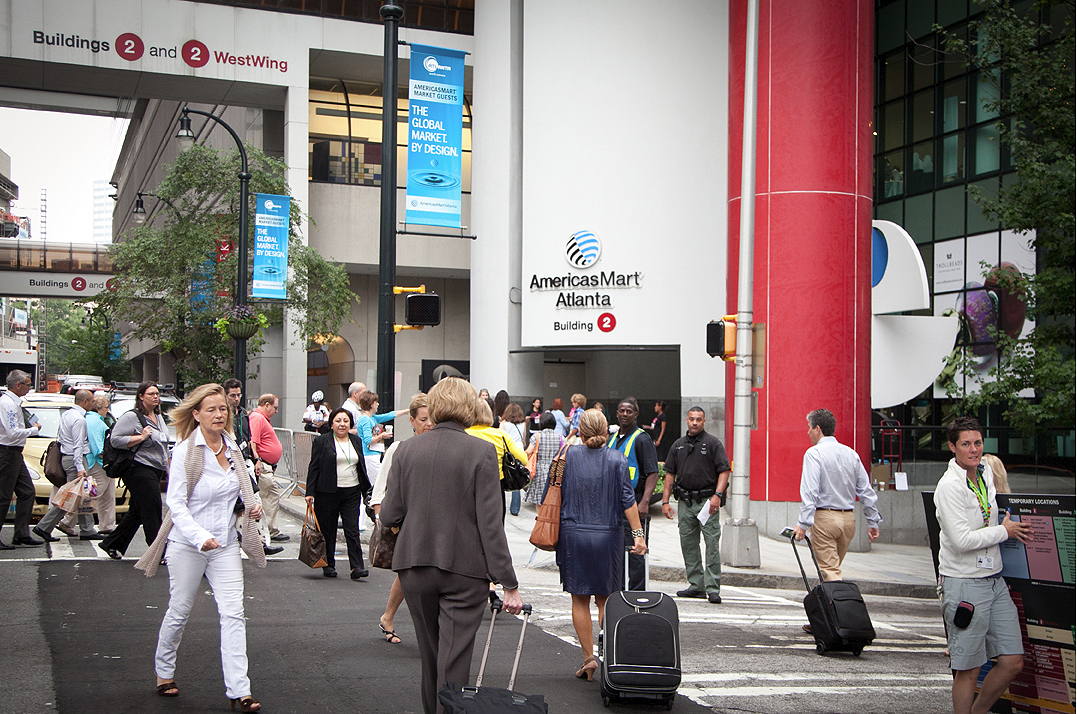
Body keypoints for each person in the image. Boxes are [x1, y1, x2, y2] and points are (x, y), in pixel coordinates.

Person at [380, 377, 523, 714]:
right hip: (464, 568)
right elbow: (491, 524)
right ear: (470, 408)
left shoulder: (406, 449)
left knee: (430, 657)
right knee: (454, 661)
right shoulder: (482, 451)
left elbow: (389, 513)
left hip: (414, 565)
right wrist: (508, 582)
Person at [137, 383, 266, 712]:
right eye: (211, 409)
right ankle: (164, 672)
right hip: (187, 544)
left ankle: (240, 689)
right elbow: (176, 505)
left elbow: (239, 494)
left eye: (223, 408)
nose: (219, 414)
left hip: (224, 544)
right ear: (196, 414)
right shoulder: (185, 451)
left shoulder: (234, 449)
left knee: (234, 613)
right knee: (179, 611)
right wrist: (199, 537)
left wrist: (249, 507)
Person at [935, 416, 1031, 714]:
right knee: (969, 669)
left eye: (978, 443)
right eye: (966, 444)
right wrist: (1005, 531)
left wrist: (1000, 525)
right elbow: (962, 540)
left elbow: (986, 514)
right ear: (953, 447)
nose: (974, 449)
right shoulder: (949, 486)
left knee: (1013, 661)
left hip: (993, 578)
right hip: (964, 582)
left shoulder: (985, 473)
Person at [550, 409, 646, 681]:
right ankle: (611, 658)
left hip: (574, 535)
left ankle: (588, 659)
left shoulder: (565, 456)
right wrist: (638, 535)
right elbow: (628, 501)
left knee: (579, 599)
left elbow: (551, 490)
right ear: (607, 431)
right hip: (608, 536)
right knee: (606, 599)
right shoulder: (618, 459)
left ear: (579, 430)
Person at [792, 408, 882, 585]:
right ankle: (827, 606)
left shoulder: (814, 453)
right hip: (848, 520)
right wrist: (872, 521)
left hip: (825, 519)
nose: (807, 431)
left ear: (818, 429)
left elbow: (810, 492)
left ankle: (838, 609)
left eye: (809, 427)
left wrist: (803, 523)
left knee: (830, 572)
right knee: (830, 568)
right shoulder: (851, 453)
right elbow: (866, 490)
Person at [370, 392, 433, 645]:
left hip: (432, 520)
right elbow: (381, 487)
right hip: (405, 522)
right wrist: (382, 520)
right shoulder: (399, 448)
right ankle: (392, 617)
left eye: (432, 419)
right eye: (423, 419)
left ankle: (390, 617)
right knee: (411, 572)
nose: (429, 424)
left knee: (421, 572)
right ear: (412, 421)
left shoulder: (439, 448)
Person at [661, 407, 730, 603]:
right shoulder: (678, 445)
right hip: (684, 502)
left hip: (707, 503)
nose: (694, 423)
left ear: (704, 421)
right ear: (687, 420)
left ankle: (713, 587)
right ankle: (696, 585)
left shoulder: (713, 443)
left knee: (711, 545)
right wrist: (665, 502)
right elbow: (669, 475)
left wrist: (717, 495)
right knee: (689, 545)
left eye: (698, 419)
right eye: (691, 419)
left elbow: (724, 470)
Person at [99, 382, 171, 560]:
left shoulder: (158, 417)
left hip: (155, 469)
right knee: (153, 509)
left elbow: (163, 445)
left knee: (138, 511)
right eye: (151, 394)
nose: (156, 397)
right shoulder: (132, 417)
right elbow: (115, 440)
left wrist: (168, 468)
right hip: (138, 469)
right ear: (141, 396)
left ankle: (111, 543)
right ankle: (158, 552)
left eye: (157, 394)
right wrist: (141, 437)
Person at [304, 408, 372, 579]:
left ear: (350, 423)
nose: (342, 424)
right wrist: (309, 492)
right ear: (332, 423)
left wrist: (367, 492)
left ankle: (356, 567)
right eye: (338, 421)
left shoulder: (356, 441)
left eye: (346, 421)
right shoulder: (322, 442)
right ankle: (328, 565)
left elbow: (360, 467)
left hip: (352, 491)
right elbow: (314, 467)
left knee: (352, 530)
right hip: (327, 492)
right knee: (328, 529)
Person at [34, 390, 102, 541]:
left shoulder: (67, 414)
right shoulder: (79, 420)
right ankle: (44, 526)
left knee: (82, 494)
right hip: (75, 459)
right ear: (84, 402)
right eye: (91, 401)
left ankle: (87, 529)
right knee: (71, 496)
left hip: (68, 457)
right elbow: (78, 444)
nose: (93, 404)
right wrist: (80, 467)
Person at [607, 397, 660, 590]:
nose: (624, 414)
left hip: (635, 504)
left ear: (636, 414)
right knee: (616, 553)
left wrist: (645, 502)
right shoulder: (612, 438)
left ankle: (637, 595)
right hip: (614, 506)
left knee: (636, 551)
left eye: (629, 411)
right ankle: (617, 593)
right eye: (622, 411)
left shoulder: (642, 439)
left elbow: (653, 472)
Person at [0, 369, 43, 548]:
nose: (29, 388)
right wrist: (33, 430)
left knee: (27, 492)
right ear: (17, 385)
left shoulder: (14, 403)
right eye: (27, 384)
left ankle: (21, 534)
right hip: (8, 452)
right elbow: (12, 433)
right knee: (3, 496)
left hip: (15, 453)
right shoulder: (8, 404)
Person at [466, 400, 529, 508]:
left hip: (468, 485)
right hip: (495, 486)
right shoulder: (500, 435)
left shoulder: (464, 433)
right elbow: (523, 459)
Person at [248, 393, 288, 548]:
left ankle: (269, 530)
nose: (276, 411)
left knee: (269, 495)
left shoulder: (261, 418)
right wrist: (257, 459)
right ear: (266, 404)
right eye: (275, 407)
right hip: (262, 465)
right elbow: (253, 441)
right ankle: (270, 531)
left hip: (265, 465)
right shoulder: (257, 418)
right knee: (270, 495)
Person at [85, 392, 118, 533]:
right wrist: (108, 459)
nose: (107, 410)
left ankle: (107, 526)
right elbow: (97, 446)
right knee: (92, 494)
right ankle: (67, 520)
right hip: (99, 463)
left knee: (108, 496)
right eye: (106, 407)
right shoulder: (95, 421)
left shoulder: (96, 420)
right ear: (98, 408)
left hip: (102, 463)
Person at [524, 412, 564, 506]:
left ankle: (541, 519)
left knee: (540, 502)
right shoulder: (560, 437)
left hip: (540, 471)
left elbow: (528, 451)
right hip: (555, 471)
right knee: (552, 500)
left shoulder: (537, 436)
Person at [500, 402, 528, 516]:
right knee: (516, 477)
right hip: (519, 451)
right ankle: (515, 508)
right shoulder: (523, 424)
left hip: (507, 451)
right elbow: (524, 440)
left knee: (504, 476)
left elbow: (500, 437)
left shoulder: (504, 423)